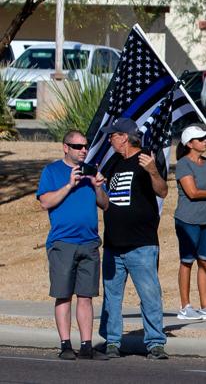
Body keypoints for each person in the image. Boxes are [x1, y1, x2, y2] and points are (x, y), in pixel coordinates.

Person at [96, 117, 169, 360]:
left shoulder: (146, 159)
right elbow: (106, 202)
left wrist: (152, 171)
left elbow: (163, 191)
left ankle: (155, 343)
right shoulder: (114, 162)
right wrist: (97, 186)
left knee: (149, 295)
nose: (110, 139)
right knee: (112, 296)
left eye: (113, 135)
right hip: (114, 243)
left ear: (125, 137)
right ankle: (113, 341)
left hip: (142, 244)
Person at [37, 130, 109, 360]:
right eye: (77, 147)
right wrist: (69, 185)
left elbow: (105, 205)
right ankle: (66, 345)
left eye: (85, 146)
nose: (83, 151)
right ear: (65, 147)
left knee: (86, 296)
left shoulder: (91, 171)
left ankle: (86, 345)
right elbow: (45, 202)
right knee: (64, 295)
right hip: (62, 242)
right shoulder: (52, 171)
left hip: (88, 242)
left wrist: (97, 185)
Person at [173, 124, 206, 321]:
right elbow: (192, 193)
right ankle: (185, 306)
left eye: (204, 138)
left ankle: (205, 306)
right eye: (200, 139)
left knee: (205, 262)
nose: (204, 141)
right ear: (189, 144)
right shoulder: (183, 164)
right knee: (187, 261)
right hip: (187, 219)